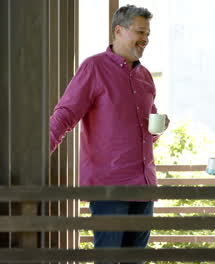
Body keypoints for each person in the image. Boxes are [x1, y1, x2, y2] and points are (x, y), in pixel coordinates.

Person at [49, 4, 169, 262]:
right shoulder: (94, 67)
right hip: (109, 187)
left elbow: (147, 132)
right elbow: (65, 115)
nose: (145, 39)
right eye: (140, 32)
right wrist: (35, 157)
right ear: (119, 31)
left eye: (148, 33)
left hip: (144, 186)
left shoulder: (146, 76)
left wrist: (158, 129)